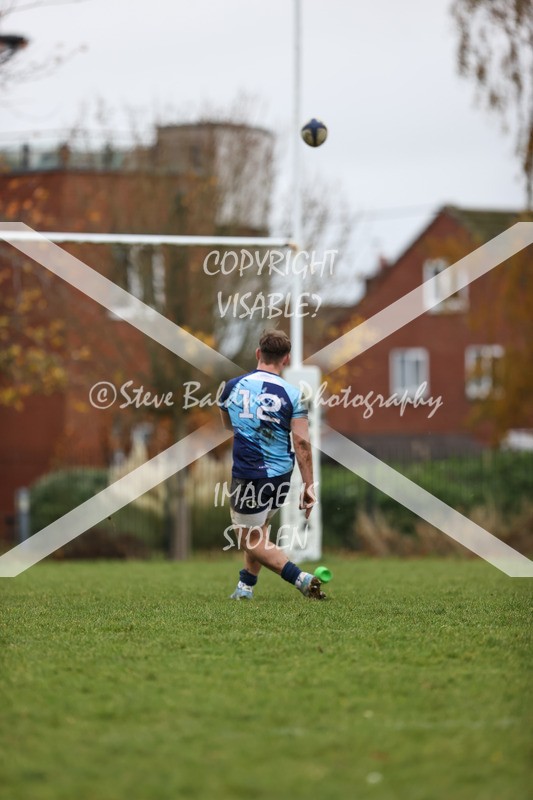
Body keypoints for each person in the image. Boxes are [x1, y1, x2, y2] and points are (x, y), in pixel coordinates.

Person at [218, 329, 325, 600]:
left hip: (249, 474)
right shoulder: (293, 395)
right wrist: (309, 485)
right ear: (286, 359)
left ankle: (301, 579)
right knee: (259, 532)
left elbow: (228, 426)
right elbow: (301, 445)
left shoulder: (230, 387)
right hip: (280, 475)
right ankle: (245, 588)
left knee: (250, 540)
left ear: (258, 353)